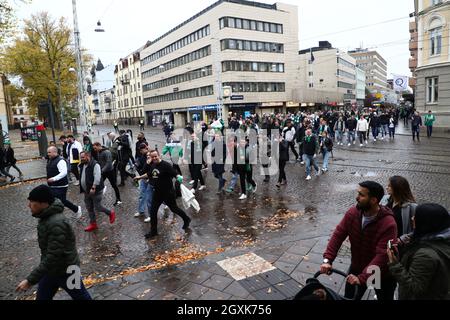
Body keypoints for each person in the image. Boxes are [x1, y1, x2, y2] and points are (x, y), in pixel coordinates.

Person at [320, 181, 397, 300]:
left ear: (373, 200)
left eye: (361, 195)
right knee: (350, 297)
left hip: (380, 274)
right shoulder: (353, 213)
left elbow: (382, 255)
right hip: (357, 267)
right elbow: (338, 234)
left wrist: (362, 278)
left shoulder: (388, 224)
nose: (357, 197)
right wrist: (328, 259)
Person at [16, 185, 92, 300]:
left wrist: (30, 280)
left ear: (43, 203)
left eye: (32, 202)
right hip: (51, 271)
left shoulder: (56, 223)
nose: (29, 205)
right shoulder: (47, 217)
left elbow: (53, 256)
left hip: (68, 271)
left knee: (81, 297)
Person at [387, 203, 450, 300]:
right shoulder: (441, 238)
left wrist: (394, 264)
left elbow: (414, 287)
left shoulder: (425, 255)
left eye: (416, 217)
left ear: (425, 223)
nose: (412, 218)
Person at [134, 150, 191, 239]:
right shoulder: (153, 165)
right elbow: (149, 174)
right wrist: (139, 178)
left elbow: (175, 173)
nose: (154, 158)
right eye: (152, 157)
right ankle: (153, 232)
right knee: (153, 212)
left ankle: (186, 219)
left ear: (159, 155)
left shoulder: (166, 165)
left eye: (155, 156)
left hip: (168, 192)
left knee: (174, 208)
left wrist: (178, 177)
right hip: (157, 192)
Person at [79, 152, 116, 232]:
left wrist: (94, 187)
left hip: (95, 190)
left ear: (88, 156)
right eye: (81, 157)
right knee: (89, 207)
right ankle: (93, 224)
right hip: (86, 191)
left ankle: (110, 213)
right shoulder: (83, 165)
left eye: (82, 157)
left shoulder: (95, 165)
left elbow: (97, 177)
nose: (81, 159)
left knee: (98, 207)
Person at [46, 146, 82, 218]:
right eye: (48, 152)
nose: (48, 154)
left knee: (62, 201)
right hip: (53, 185)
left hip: (60, 186)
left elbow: (64, 172)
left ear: (54, 152)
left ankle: (76, 209)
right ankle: (75, 209)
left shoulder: (60, 161)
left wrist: (54, 179)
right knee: (57, 200)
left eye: (49, 152)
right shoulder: (51, 160)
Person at [92, 142, 122, 206]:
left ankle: (118, 199)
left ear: (99, 146)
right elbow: (100, 161)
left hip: (110, 171)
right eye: (94, 149)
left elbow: (109, 164)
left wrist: (101, 171)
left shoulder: (107, 152)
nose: (95, 150)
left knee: (114, 185)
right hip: (103, 172)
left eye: (95, 148)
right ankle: (97, 199)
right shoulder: (98, 152)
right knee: (98, 183)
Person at [134, 146, 153, 223]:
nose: (141, 151)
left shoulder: (153, 158)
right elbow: (141, 169)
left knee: (151, 198)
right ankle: (141, 210)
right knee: (142, 195)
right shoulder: (141, 157)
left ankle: (151, 215)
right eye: (141, 150)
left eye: (142, 150)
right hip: (144, 179)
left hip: (151, 180)